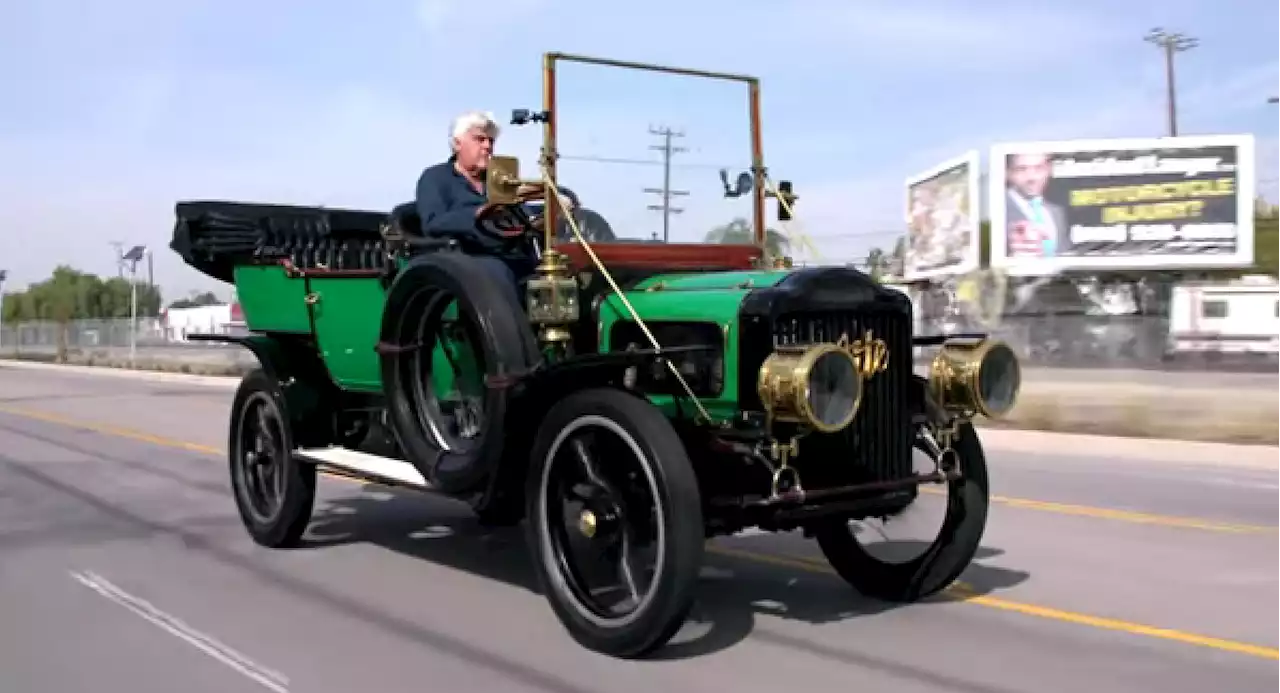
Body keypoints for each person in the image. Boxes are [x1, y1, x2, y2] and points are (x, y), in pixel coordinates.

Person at [414, 110, 544, 305]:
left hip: (517, 255)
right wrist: (477, 214)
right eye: (480, 139)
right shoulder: (435, 178)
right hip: (470, 259)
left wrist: (548, 210)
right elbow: (433, 222)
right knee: (499, 273)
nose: (488, 146)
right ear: (458, 143)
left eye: (491, 141)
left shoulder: (499, 182)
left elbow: (521, 212)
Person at [1004, 152, 1069, 257]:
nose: (1031, 178)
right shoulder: (998, 210)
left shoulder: (1057, 212)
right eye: (1022, 169)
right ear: (1008, 173)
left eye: (1039, 168)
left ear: (1049, 170)